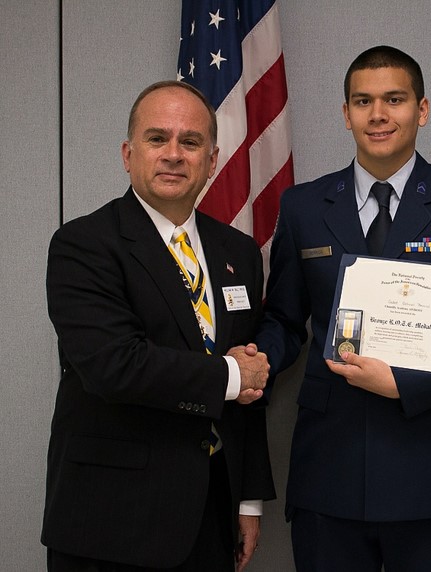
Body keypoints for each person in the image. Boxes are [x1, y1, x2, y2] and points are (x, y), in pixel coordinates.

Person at [254, 45, 431, 571]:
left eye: (394, 99)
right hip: (328, 475)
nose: (378, 115)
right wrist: (257, 358)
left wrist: (408, 382)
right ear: (346, 113)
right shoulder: (304, 206)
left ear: (421, 110)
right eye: (363, 101)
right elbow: (285, 321)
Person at [41, 81, 275, 572]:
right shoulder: (84, 245)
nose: (173, 154)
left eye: (190, 143)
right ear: (128, 154)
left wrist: (248, 499)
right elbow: (114, 366)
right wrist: (232, 377)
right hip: (112, 523)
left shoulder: (238, 253)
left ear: (212, 161)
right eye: (156, 139)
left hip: (213, 516)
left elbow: (248, 371)